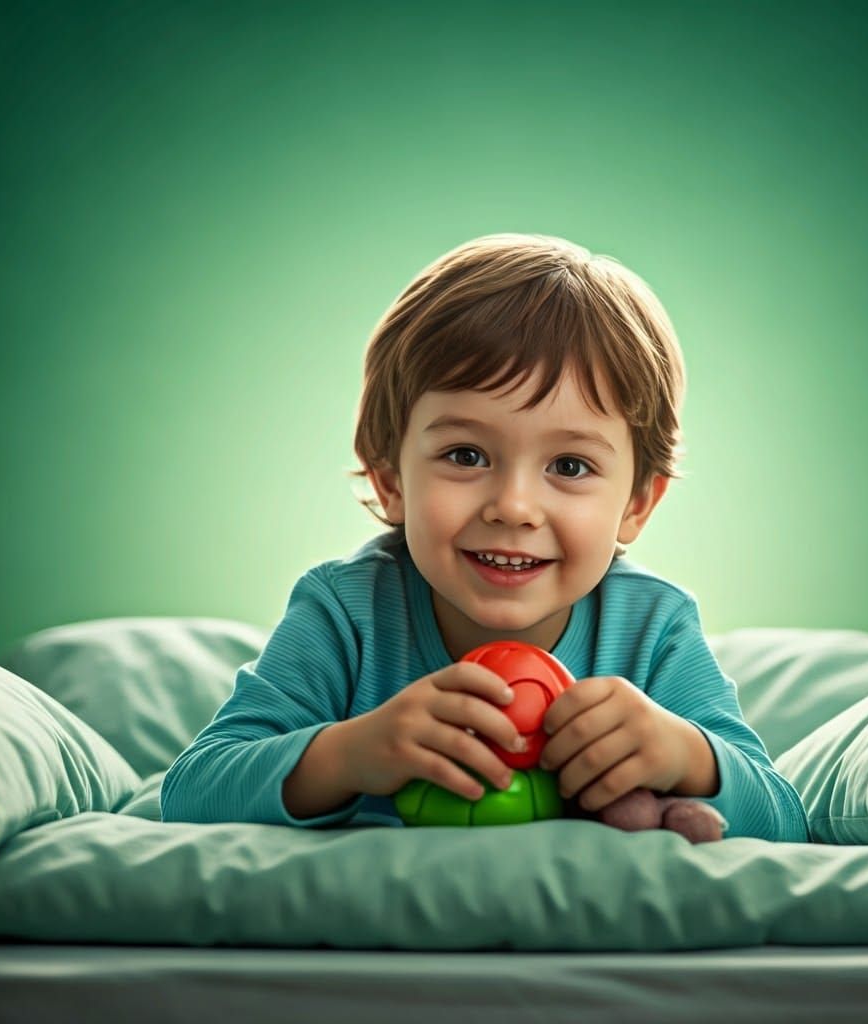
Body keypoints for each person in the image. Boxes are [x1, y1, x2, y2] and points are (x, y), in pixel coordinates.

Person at [160, 232, 809, 842]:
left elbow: (782, 818)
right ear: (390, 480)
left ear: (637, 504)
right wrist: (350, 754)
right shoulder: (347, 612)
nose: (514, 507)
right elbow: (192, 792)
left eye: (570, 466)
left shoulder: (651, 627)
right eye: (466, 456)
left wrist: (688, 756)